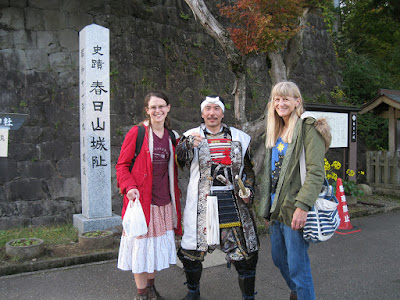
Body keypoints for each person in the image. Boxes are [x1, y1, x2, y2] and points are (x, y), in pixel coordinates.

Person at [176, 95, 259, 300]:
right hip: (201, 204)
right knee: (192, 252)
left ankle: (248, 297)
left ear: (222, 113)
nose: (212, 113)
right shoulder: (190, 135)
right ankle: (193, 292)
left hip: (233, 202)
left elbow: (249, 170)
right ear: (202, 113)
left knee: (246, 254)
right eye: (208, 109)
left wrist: (247, 190)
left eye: (216, 109)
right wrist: (187, 146)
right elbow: (179, 161)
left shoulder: (240, 137)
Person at [259, 82, 331, 300]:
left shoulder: (308, 127)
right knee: (278, 259)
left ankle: (303, 294)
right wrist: (266, 208)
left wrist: (302, 207)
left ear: (297, 101)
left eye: (286, 99)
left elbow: (316, 173)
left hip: (294, 207)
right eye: (277, 99)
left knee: (298, 266)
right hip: (277, 208)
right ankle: (298, 292)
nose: (281, 103)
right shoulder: (276, 130)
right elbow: (270, 175)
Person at [116, 91, 182, 300]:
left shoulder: (172, 137)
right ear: (147, 110)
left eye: (161, 106)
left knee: (153, 249)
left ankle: (152, 289)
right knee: (140, 249)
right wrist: (128, 187)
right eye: (153, 107)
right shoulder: (138, 133)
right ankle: (141, 294)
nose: (158, 110)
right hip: (142, 202)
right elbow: (122, 166)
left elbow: (183, 161)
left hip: (164, 202)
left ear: (168, 108)